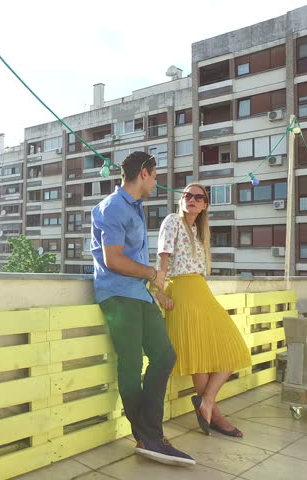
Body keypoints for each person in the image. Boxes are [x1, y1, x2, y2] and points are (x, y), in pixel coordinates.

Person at [90, 151, 195, 467]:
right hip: (118, 295)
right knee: (132, 361)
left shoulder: (134, 209)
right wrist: (152, 273)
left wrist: (154, 290)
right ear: (145, 173)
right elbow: (114, 260)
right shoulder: (111, 208)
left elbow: (131, 259)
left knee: (165, 355)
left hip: (141, 295)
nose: (158, 181)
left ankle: (149, 433)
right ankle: (149, 437)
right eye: (156, 174)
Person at [155, 183, 251, 438]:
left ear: (206, 204)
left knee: (233, 348)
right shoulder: (172, 221)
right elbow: (163, 259)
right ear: (182, 199)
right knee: (198, 357)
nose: (192, 200)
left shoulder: (200, 231)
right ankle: (215, 416)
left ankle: (206, 403)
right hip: (182, 291)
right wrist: (159, 291)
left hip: (200, 290)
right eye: (187, 195)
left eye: (199, 197)